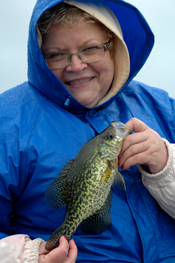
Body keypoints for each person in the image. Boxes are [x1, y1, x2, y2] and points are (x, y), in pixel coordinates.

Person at [0, 0, 175, 262]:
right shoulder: (8, 120)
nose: (76, 65)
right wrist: (30, 257)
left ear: (113, 47)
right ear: (38, 56)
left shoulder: (161, 106)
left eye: (90, 49)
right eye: (56, 54)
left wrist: (166, 164)